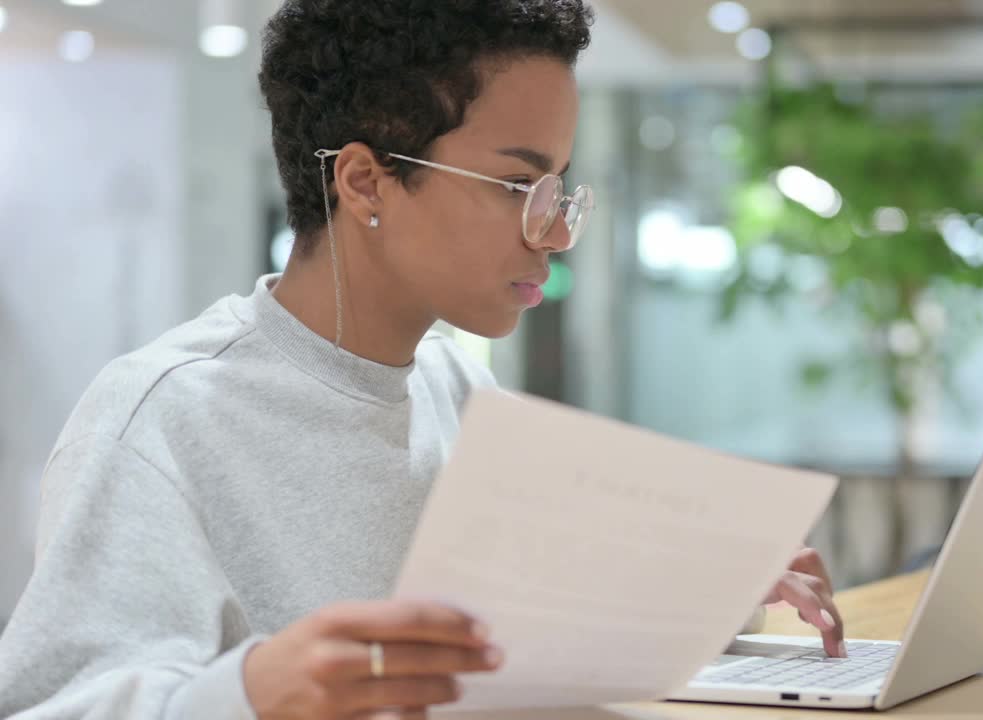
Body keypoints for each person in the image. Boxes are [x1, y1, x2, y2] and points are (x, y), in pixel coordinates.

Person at [0, 2, 845, 718]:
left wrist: (700, 594)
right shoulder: (161, 419)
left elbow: (529, 638)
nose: (553, 233)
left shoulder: (460, 390)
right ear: (365, 183)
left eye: (559, 193)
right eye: (521, 189)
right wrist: (250, 691)